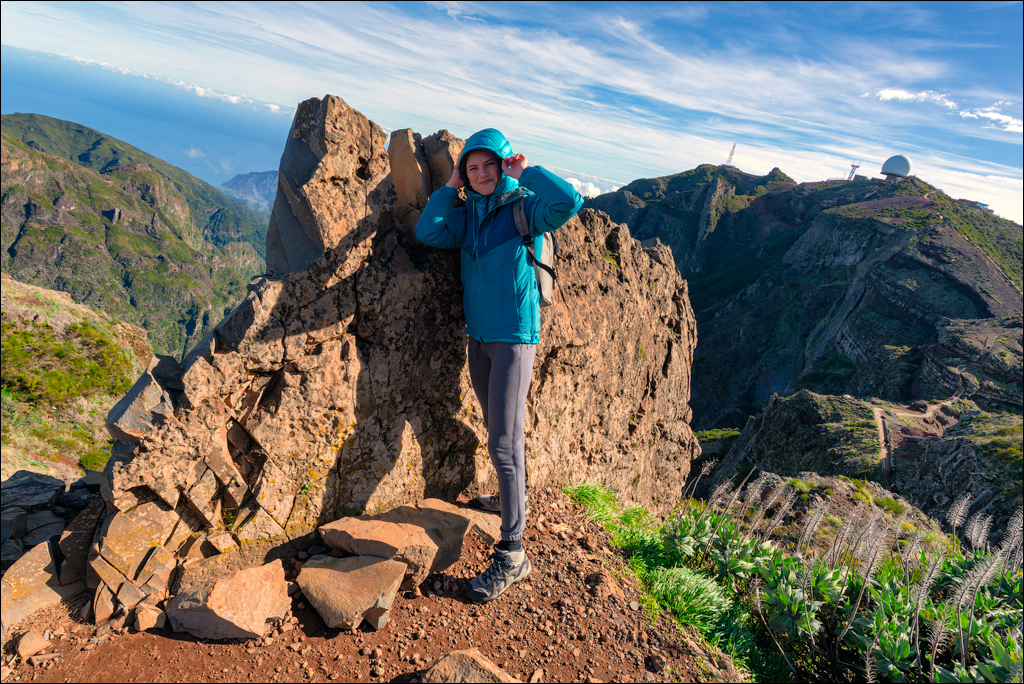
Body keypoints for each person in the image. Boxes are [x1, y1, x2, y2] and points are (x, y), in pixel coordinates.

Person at [415, 128, 583, 602]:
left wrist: (524, 172)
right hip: (479, 339)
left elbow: (571, 202)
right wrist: (450, 185)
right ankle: (511, 501)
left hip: (513, 340)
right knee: (498, 431)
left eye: (491, 164)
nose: (483, 173)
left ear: (505, 164)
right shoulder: (466, 214)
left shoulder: (525, 207)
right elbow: (427, 231)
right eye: (474, 167)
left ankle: (513, 555)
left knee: (505, 445)